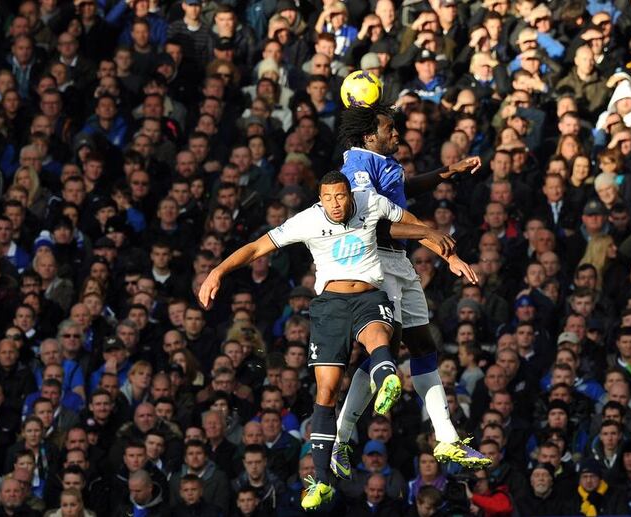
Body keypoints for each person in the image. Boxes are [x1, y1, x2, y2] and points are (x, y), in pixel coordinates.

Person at [198, 171, 474, 510]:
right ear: (320, 197)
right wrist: (217, 271)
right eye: (329, 198)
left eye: (341, 197)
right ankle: (323, 481)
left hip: (370, 296)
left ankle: (387, 378)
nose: (336, 204)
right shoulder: (308, 220)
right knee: (326, 391)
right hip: (330, 307)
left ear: (350, 194)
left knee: (379, 337)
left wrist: (450, 255)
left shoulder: (370, 202)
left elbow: (412, 224)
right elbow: (257, 247)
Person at [333, 103, 490, 476]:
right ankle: (340, 438)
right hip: (376, 263)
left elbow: (401, 191)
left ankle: (447, 437)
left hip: (400, 262)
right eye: (390, 129)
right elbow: (376, 224)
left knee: (422, 346)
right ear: (369, 135)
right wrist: (435, 241)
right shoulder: (356, 166)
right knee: (382, 352)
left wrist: (445, 173)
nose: (397, 135)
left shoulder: (382, 162)